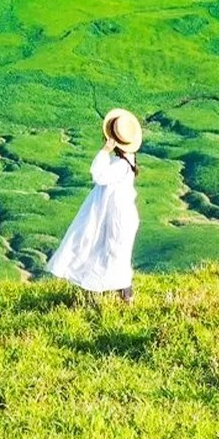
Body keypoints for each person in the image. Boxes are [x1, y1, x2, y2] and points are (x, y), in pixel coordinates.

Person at [46, 108, 142, 302]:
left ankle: (117, 295)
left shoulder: (120, 165)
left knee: (112, 253)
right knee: (112, 253)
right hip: (119, 216)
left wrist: (105, 150)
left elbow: (98, 174)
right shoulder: (125, 161)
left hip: (118, 218)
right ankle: (114, 294)